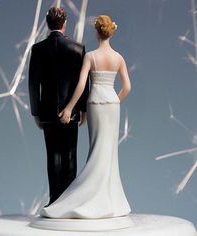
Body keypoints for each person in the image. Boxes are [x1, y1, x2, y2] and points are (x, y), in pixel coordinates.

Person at [40, 15, 131, 218]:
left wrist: (69, 108)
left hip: (95, 104)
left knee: (96, 148)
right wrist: (115, 99)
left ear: (97, 32)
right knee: (108, 151)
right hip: (112, 106)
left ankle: (86, 196)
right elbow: (127, 87)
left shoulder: (91, 56)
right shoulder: (118, 57)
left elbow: (82, 85)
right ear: (110, 32)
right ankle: (110, 198)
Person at [28, 7, 89, 206]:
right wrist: (83, 110)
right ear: (64, 23)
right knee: (70, 154)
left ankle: (54, 200)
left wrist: (36, 113)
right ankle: (68, 202)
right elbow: (83, 82)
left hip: (47, 112)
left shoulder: (38, 49)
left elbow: (32, 83)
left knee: (52, 155)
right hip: (70, 113)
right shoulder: (77, 48)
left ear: (47, 23)